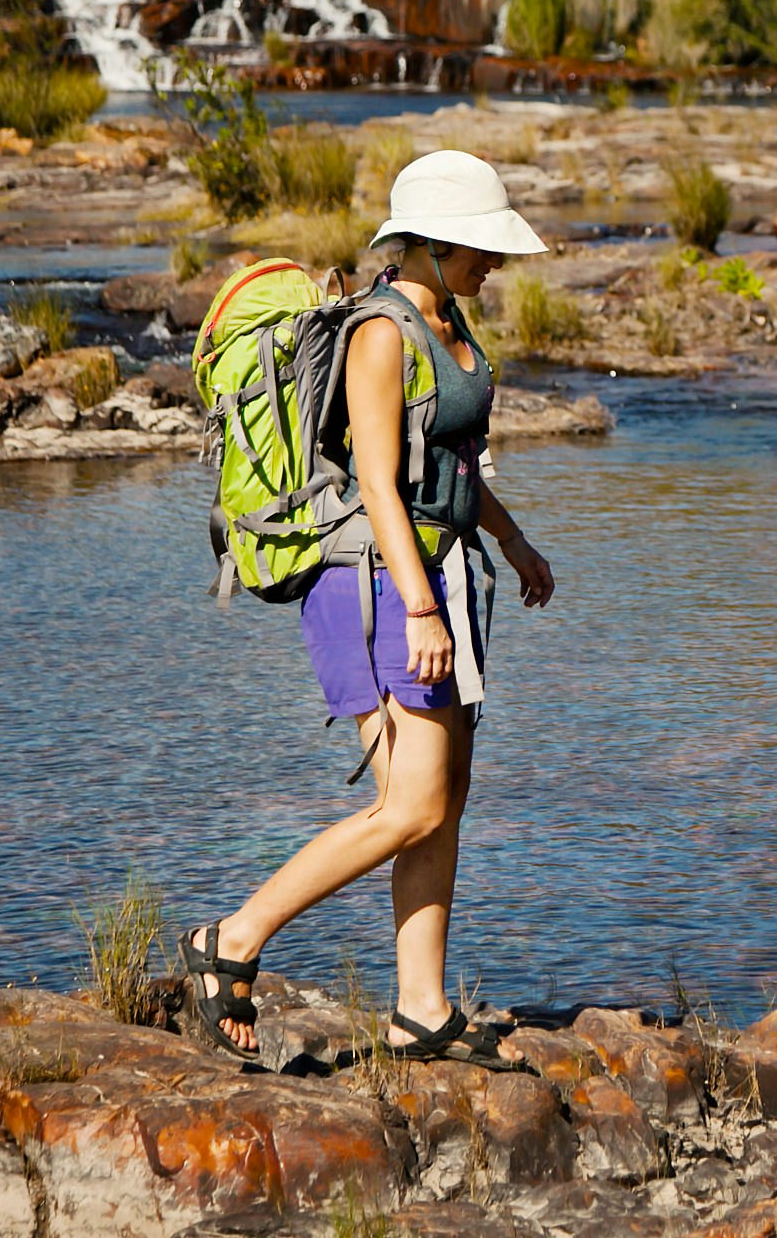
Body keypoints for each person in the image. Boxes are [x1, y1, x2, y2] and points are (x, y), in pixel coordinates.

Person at [180, 150, 558, 1065]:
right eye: (476, 246)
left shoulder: (448, 315)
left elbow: (456, 462)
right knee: (410, 802)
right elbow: (384, 488)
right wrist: (423, 611)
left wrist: (509, 539)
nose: (490, 263)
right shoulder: (381, 334)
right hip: (380, 586)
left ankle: (419, 1007)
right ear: (426, 242)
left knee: (442, 799)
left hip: (445, 575)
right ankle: (229, 941)